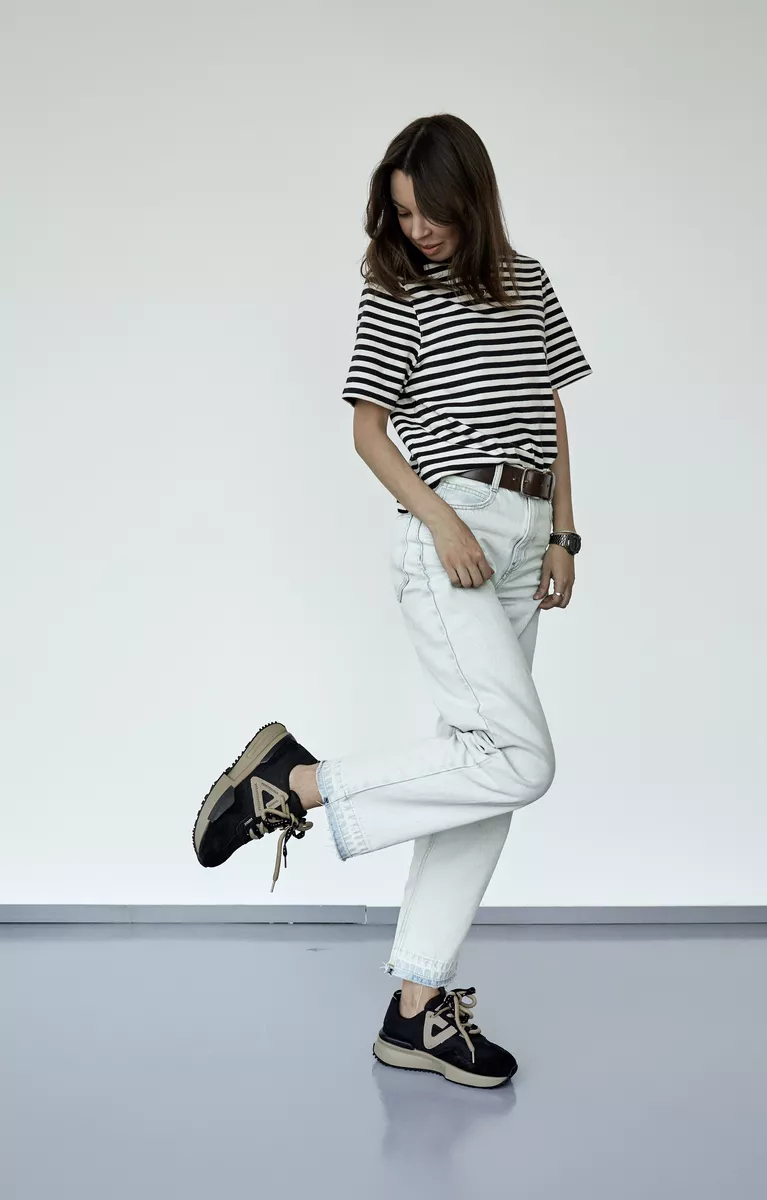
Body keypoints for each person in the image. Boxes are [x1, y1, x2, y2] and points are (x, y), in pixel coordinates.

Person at [192, 113, 591, 1089]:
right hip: (449, 530)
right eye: (402, 213)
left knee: (487, 776)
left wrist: (564, 533)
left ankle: (415, 1012)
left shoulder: (529, 280)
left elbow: (548, 407)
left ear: (470, 197)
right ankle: (296, 784)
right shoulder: (397, 290)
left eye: (430, 212)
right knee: (519, 761)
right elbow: (368, 432)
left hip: (523, 534)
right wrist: (443, 521)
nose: (417, 230)